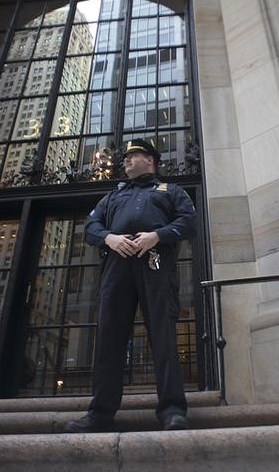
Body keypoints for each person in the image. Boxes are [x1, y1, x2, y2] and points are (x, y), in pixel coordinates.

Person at [63, 138, 196, 432]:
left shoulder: (170, 191)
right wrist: (110, 238)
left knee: (163, 336)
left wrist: (158, 235)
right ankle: (100, 413)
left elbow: (189, 221)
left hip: (155, 263)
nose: (125, 160)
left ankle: (173, 410)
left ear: (150, 159)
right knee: (109, 338)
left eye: (132, 155)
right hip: (117, 265)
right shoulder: (113, 196)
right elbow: (91, 227)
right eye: (125, 156)